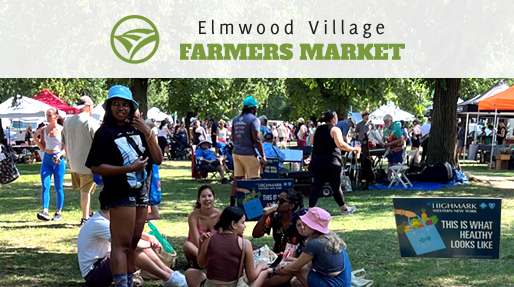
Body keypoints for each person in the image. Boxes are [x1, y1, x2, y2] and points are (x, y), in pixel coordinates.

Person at [85, 85, 163, 287]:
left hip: (140, 192)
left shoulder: (138, 129)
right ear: (109, 107)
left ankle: (128, 282)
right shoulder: (105, 133)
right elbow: (96, 166)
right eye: (116, 104)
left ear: (131, 107)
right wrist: (128, 168)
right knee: (121, 245)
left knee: (133, 244)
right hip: (119, 193)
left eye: (125, 104)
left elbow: (158, 158)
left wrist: (147, 132)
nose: (121, 108)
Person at [77, 207, 186, 287]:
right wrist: (150, 244)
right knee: (129, 250)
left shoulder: (107, 219)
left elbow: (130, 233)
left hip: (104, 263)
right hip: (93, 275)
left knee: (135, 247)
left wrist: (148, 238)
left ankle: (171, 275)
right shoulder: (100, 223)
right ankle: (167, 277)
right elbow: (128, 243)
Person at [184, 206, 269, 287]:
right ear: (233, 224)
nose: (245, 226)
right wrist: (260, 266)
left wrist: (201, 244)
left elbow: (202, 264)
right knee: (264, 271)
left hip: (211, 285)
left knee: (189, 273)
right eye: (242, 222)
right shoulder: (245, 243)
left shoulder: (209, 239)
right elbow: (251, 277)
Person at [273, 207, 352, 287]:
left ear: (313, 226)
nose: (303, 226)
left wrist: (276, 270)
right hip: (342, 282)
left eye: (306, 223)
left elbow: (295, 268)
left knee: (296, 270)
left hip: (332, 283)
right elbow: (308, 265)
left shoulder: (315, 243)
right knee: (295, 282)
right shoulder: (327, 239)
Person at [309, 110, 360, 214]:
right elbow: (340, 144)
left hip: (317, 161)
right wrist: (353, 149)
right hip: (331, 162)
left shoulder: (318, 129)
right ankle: (344, 209)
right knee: (336, 187)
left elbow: (311, 142)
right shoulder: (335, 129)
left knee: (317, 187)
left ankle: (310, 209)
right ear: (333, 119)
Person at [62, 96, 100, 225]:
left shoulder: (67, 122)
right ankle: (85, 218)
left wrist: (68, 158)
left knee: (84, 191)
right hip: (88, 163)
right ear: (89, 106)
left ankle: (88, 213)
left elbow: (64, 143)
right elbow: (100, 142)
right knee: (86, 191)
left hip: (73, 162)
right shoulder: (91, 122)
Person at [230, 96, 267, 206]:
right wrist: (263, 156)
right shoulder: (254, 119)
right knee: (254, 180)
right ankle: (253, 207)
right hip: (248, 153)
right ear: (252, 108)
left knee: (237, 178)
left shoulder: (236, 119)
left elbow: (233, 137)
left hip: (236, 152)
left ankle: (232, 204)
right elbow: (256, 139)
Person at [33, 107, 66, 221]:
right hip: (47, 159)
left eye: (50, 115)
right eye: (47, 115)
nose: (48, 117)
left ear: (56, 117)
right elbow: (43, 147)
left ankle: (58, 212)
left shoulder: (62, 130)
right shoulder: (44, 130)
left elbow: (66, 149)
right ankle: (45, 211)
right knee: (45, 185)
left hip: (58, 160)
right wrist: (35, 139)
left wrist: (60, 155)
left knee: (58, 187)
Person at [252, 189, 305, 255]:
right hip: (276, 254)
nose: (277, 203)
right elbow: (256, 235)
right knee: (251, 248)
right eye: (277, 200)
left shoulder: (299, 221)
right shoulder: (275, 218)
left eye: (281, 201)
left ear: (291, 206)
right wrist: (265, 216)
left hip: (294, 257)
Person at [183, 185, 222, 268]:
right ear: (199, 200)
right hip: (198, 249)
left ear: (214, 198)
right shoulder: (193, 216)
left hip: (216, 250)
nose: (207, 199)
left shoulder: (220, 215)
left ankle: (206, 262)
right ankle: (209, 262)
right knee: (187, 246)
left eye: (209, 196)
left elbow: (222, 238)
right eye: (203, 196)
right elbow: (197, 241)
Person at [383, 114, 406, 181]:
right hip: (389, 149)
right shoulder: (385, 128)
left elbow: (400, 139)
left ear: (391, 121)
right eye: (384, 122)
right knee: (390, 163)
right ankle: (389, 179)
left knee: (394, 163)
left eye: (386, 122)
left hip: (398, 148)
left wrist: (390, 144)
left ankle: (395, 178)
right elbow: (384, 137)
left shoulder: (396, 128)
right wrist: (383, 141)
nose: (385, 123)